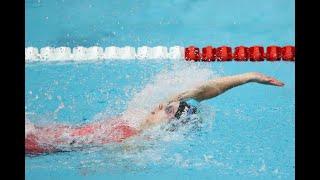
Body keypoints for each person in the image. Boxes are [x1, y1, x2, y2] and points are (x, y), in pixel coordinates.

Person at [25, 72, 284, 155]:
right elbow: (201, 91)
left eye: (167, 109)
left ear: (167, 125)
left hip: (36, 144)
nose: (161, 105)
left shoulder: (133, 138)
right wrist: (248, 76)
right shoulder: (140, 117)